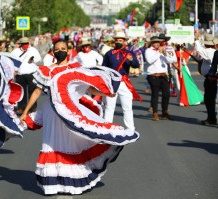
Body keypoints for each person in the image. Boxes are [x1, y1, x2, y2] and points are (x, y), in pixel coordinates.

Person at [19, 39, 139, 195]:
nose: (60, 51)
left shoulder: (76, 69)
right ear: (53, 52)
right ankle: (54, 182)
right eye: (57, 49)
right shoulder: (46, 71)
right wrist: (25, 111)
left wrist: (105, 93)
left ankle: (71, 179)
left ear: (69, 51)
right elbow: (37, 92)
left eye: (63, 48)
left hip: (71, 112)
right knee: (52, 143)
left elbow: (90, 89)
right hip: (51, 111)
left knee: (71, 143)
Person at [102, 31, 141, 131]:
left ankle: (130, 129)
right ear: (114, 42)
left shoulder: (129, 53)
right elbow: (103, 68)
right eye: (117, 40)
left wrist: (132, 59)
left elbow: (136, 65)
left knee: (127, 107)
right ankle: (107, 127)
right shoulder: (109, 53)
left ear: (124, 42)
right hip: (111, 82)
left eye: (120, 40)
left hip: (124, 82)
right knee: (109, 106)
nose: (118, 42)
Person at [145, 36, 176, 121]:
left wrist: (165, 54)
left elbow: (170, 61)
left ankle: (164, 112)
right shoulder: (148, 51)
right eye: (155, 42)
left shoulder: (163, 50)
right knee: (155, 94)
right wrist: (159, 52)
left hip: (164, 74)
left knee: (166, 94)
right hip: (153, 75)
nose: (157, 44)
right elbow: (149, 61)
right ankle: (155, 113)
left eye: (158, 42)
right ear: (152, 43)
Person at [11, 37, 42, 114]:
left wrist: (33, 60)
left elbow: (39, 60)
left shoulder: (33, 50)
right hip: (20, 74)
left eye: (27, 43)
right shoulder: (15, 51)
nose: (26, 45)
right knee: (21, 92)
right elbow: (11, 61)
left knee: (32, 91)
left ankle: (33, 107)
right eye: (24, 44)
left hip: (32, 74)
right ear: (21, 44)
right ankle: (21, 107)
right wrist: (13, 70)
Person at [195, 33, 217, 125]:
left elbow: (198, 49)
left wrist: (196, 39)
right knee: (210, 99)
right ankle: (211, 118)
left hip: (211, 78)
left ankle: (211, 119)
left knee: (209, 99)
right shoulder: (212, 51)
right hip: (211, 77)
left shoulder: (209, 51)